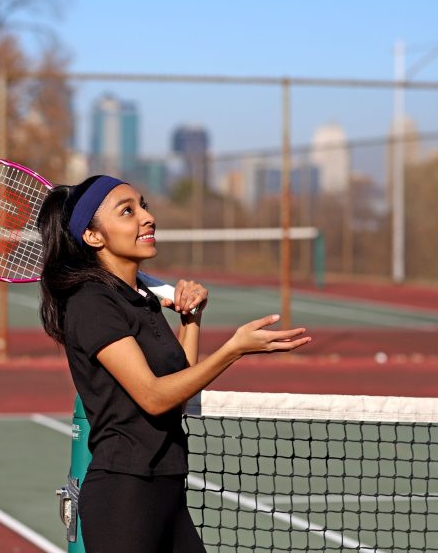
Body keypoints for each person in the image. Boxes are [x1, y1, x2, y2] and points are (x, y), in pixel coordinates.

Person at [37, 175, 311, 553]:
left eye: (144, 206)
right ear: (93, 236)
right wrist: (233, 349)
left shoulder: (141, 300)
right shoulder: (92, 303)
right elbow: (152, 397)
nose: (146, 218)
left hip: (166, 485)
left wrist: (192, 319)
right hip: (125, 496)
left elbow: (178, 388)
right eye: (127, 211)